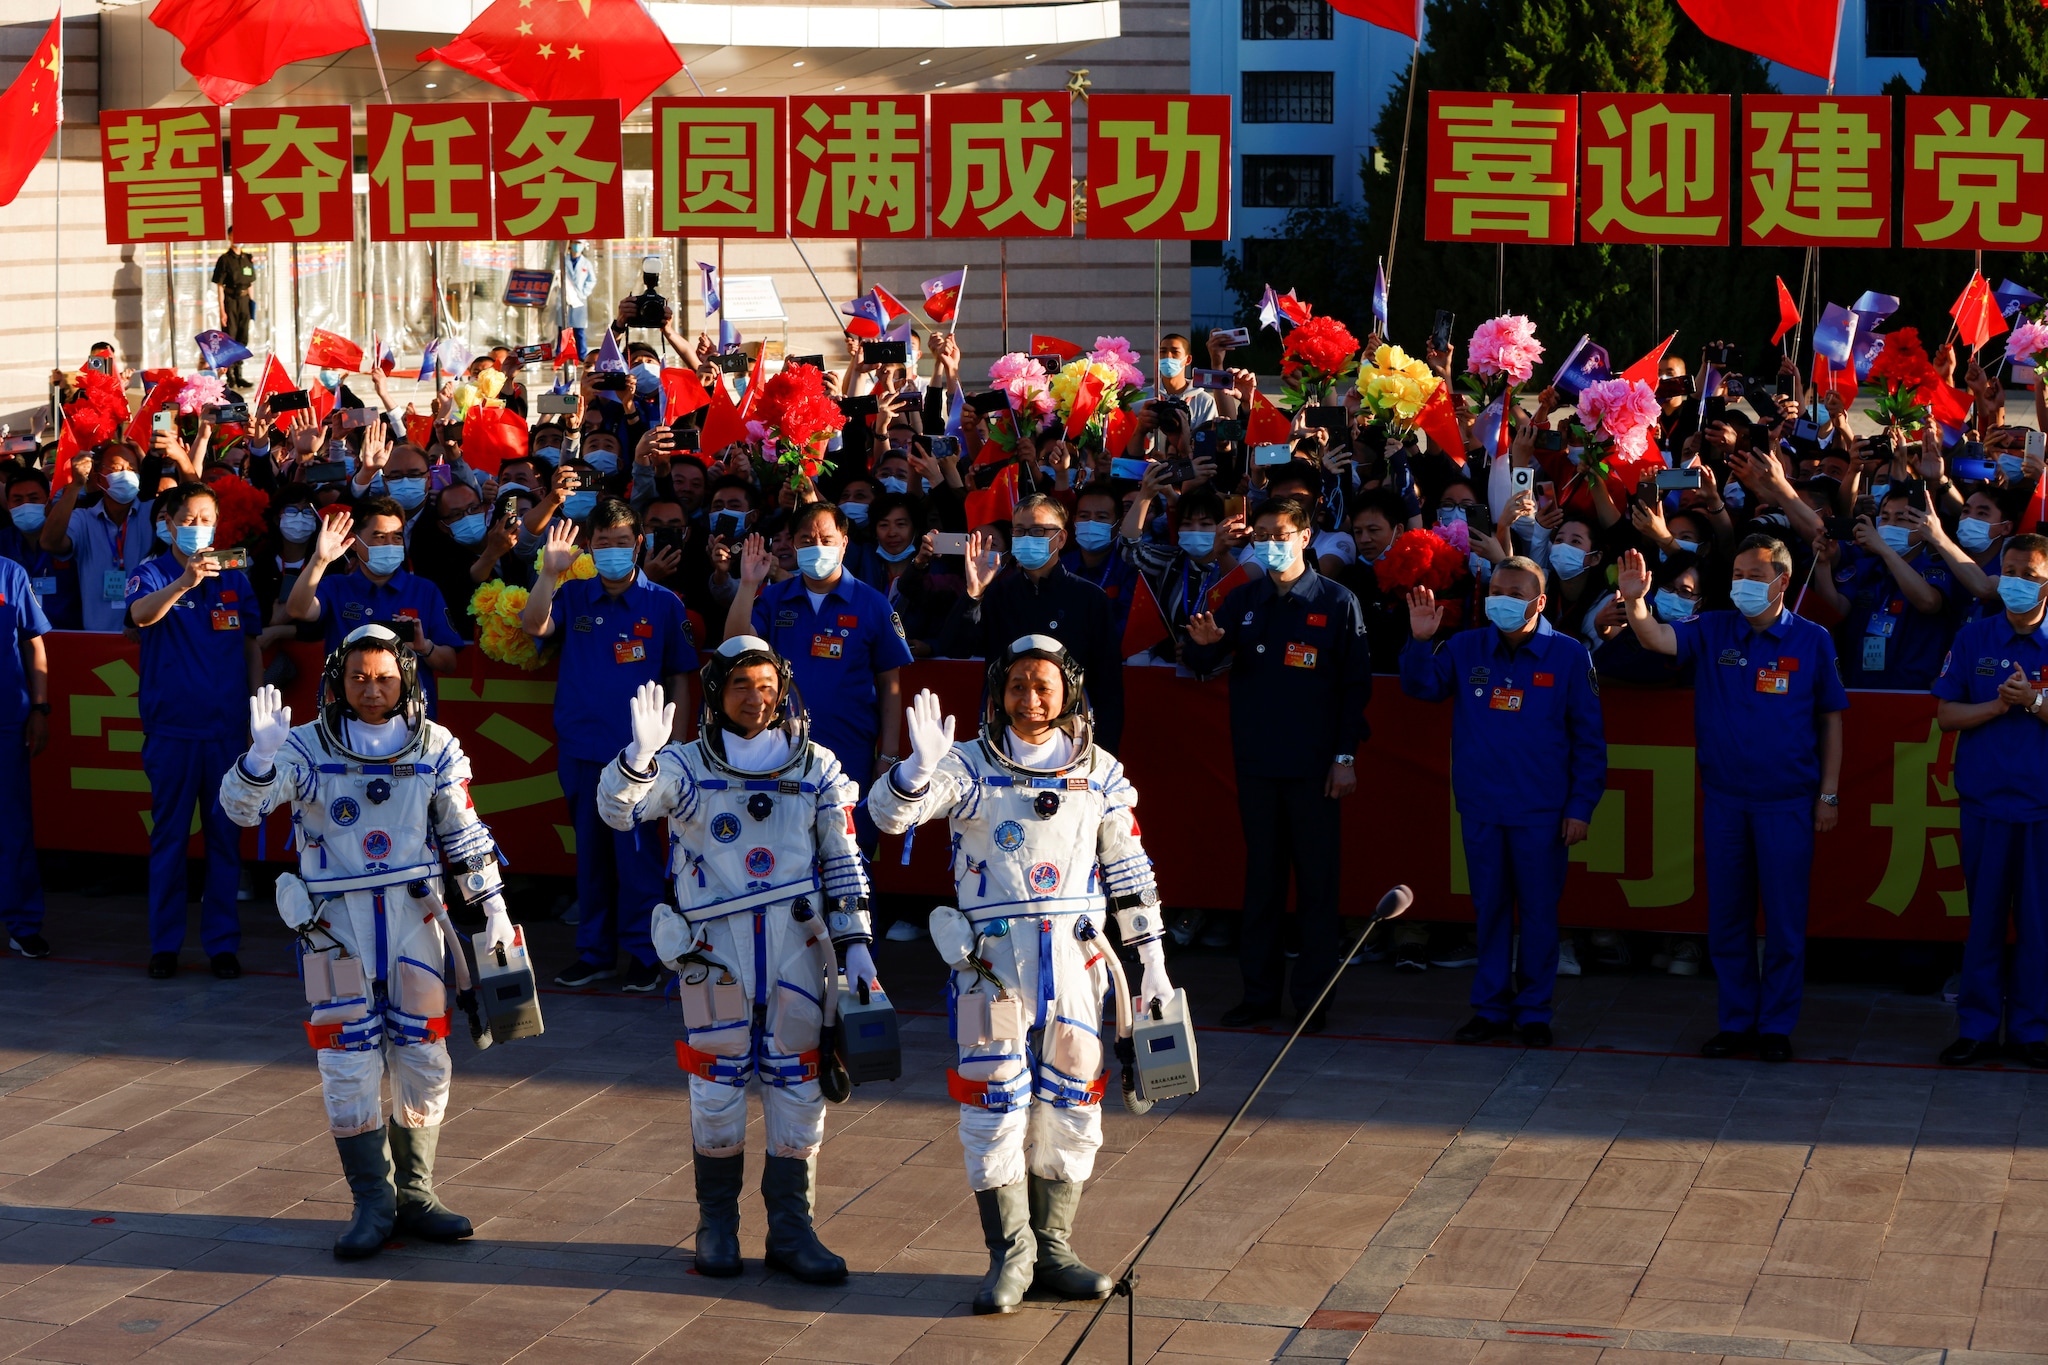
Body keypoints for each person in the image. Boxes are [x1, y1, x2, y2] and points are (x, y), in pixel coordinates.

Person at [869, 637, 1172, 1316]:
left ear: (1069, 691)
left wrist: (1151, 960)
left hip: (1076, 962)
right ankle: (1011, 1252)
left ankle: (1054, 1248)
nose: (1029, 698)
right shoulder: (967, 764)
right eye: (1016, 685)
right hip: (992, 968)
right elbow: (889, 818)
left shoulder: (1099, 771)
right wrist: (916, 768)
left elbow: (1130, 869)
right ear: (997, 693)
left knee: (1074, 1099)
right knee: (993, 1099)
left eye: (1043, 685)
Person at [221, 626, 513, 1259]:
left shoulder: (435, 745)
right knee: (346, 1059)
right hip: (335, 926)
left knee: (425, 1053)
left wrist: (494, 909)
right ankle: (372, 1201)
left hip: (416, 919)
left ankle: (417, 1193)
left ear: (405, 680)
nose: (372, 690)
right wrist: (261, 759)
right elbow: (244, 811)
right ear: (338, 681)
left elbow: (464, 831)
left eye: (384, 678)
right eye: (358, 678)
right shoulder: (303, 746)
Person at [596, 639, 874, 1283]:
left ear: (784, 689)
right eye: (741, 686)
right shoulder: (684, 766)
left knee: (799, 1089)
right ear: (717, 693)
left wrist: (856, 945)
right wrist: (638, 758)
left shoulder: (817, 765)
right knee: (717, 1089)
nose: (756, 698)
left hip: (798, 950)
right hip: (715, 955)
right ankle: (716, 1224)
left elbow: (843, 861)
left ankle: (792, 1230)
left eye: (767, 685)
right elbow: (618, 812)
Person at [1617, 537, 1847, 1063]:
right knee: (1728, 919)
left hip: (1787, 802)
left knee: (1784, 923)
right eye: (1737, 573)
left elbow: (1831, 720)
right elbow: (1656, 638)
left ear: (1782, 581)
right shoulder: (1714, 627)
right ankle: (1737, 1021)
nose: (1741, 583)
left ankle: (1776, 1027)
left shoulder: (1812, 639)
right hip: (1725, 800)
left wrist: (1828, 794)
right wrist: (1634, 602)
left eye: (1753, 575)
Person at [1399, 555, 1606, 1048]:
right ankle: (1490, 1009)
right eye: (1497, 592)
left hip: (1542, 814)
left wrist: (1580, 808)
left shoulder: (1569, 655)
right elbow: (1421, 687)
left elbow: (1589, 742)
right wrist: (1420, 642)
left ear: (1540, 601)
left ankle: (1533, 1011)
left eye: (1516, 594)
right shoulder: (1466, 647)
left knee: (1538, 914)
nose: (1503, 601)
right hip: (1482, 808)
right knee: (1489, 911)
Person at [1184, 495, 1371, 1031]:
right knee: (1262, 884)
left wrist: (1344, 758)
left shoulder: (1336, 602)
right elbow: (1203, 659)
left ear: (1305, 538)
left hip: (1316, 769)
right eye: (1261, 535)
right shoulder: (1244, 600)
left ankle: (1312, 1002)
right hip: (1258, 765)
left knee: (1317, 887)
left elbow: (1355, 689)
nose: (1270, 544)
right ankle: (1259, 996)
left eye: (1280, 534)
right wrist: (1203, 645)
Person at [521, 503, 699, 991]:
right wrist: (549, 573)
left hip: (642, 757)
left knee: (638, 859)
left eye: (622, 541)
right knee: (592, 857)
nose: (613, 550)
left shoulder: (664, 604)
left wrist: (678, 748)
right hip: (581, 747)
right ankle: (595, 953)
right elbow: (533, 626)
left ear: (639, 543)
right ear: (589, 547)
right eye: (603, 542)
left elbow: (680, 678)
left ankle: (645, 953)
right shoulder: (573, 594)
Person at [125, 482, 262, 980]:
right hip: (172, 731)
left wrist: (257, 713)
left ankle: (221, 945)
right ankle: (165, 945)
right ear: (167, 523)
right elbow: (139, 617)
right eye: (188, 518)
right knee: (170, 839)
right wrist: (184, 582)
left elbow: (250, 645)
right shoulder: (151, 573)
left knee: (224, 841)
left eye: (207, 518)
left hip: (225, 731)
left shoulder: (234, 579)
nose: (198, 526)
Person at [1931, 533, 2048, 1068]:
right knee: (1984, 924)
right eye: (2011, 572)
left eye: (2031, 575)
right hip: (1984, 805)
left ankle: (2031, 1031)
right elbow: (1946, 714)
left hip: (2041, 809)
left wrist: (2035, 701)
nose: (2018, 583)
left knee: (2038, 926)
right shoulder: (1975, 637)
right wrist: (1997, 708)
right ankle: (1976, 1028)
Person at [944, 494, 1124, 751]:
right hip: (1004, 735)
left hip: (1071, 738)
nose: (1027, 537)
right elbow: (955, 647)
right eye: (1019, 530)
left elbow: (1108, 686)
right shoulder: (996, 594)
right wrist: (973, 594)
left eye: (1038, 530)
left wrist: (1103, 753)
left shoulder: (1090, 598)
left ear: (1061, 538)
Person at [286, 500, 464, 709]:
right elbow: (298, 610)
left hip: (410, 716)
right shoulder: (336, 586)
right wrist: (320, 560)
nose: (390, 544)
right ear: (354, 541)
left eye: (397, 537)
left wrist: (424, 647)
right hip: (344, 713)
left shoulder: (425, 590)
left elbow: (449, 664)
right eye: (380, 537)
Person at [0, 553, 51, 958]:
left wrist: (40, 707)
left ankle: (22, 923)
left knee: (12, 826)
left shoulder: (9, 573)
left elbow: (34, 643)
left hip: (6, 719)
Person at [211, 227, 257, 388]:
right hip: (230, 300)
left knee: (242, 338)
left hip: (244, 301)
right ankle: (229, 375)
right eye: (234, 235)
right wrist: (222, 310)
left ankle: (239, 374)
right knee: (229, 338)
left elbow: (250, 284)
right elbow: (219, 285)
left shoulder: (247, 258)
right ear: (229, 237)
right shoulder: (224, 259)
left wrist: (252, 305)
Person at [563, 241, 597, 360]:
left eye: (579, 243)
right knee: (563, 329)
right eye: (575, 243)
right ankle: (562, 355)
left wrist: (584, 293)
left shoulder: (586, 263)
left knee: (579, 330)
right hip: (564, 298)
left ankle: (582, 355)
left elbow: (592, 280)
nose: (576, 246)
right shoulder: (563, 261)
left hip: (579, 299)